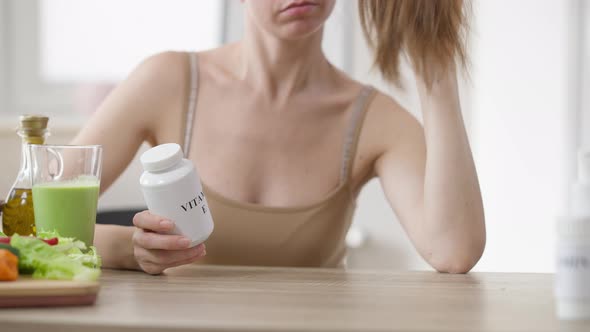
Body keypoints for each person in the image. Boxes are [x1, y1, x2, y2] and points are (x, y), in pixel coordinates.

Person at [72, 0, 485, 275]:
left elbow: (453, 251)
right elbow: (28, 218)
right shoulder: (166, 82)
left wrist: (436, 66)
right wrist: (130, 248)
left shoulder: (375, 120)